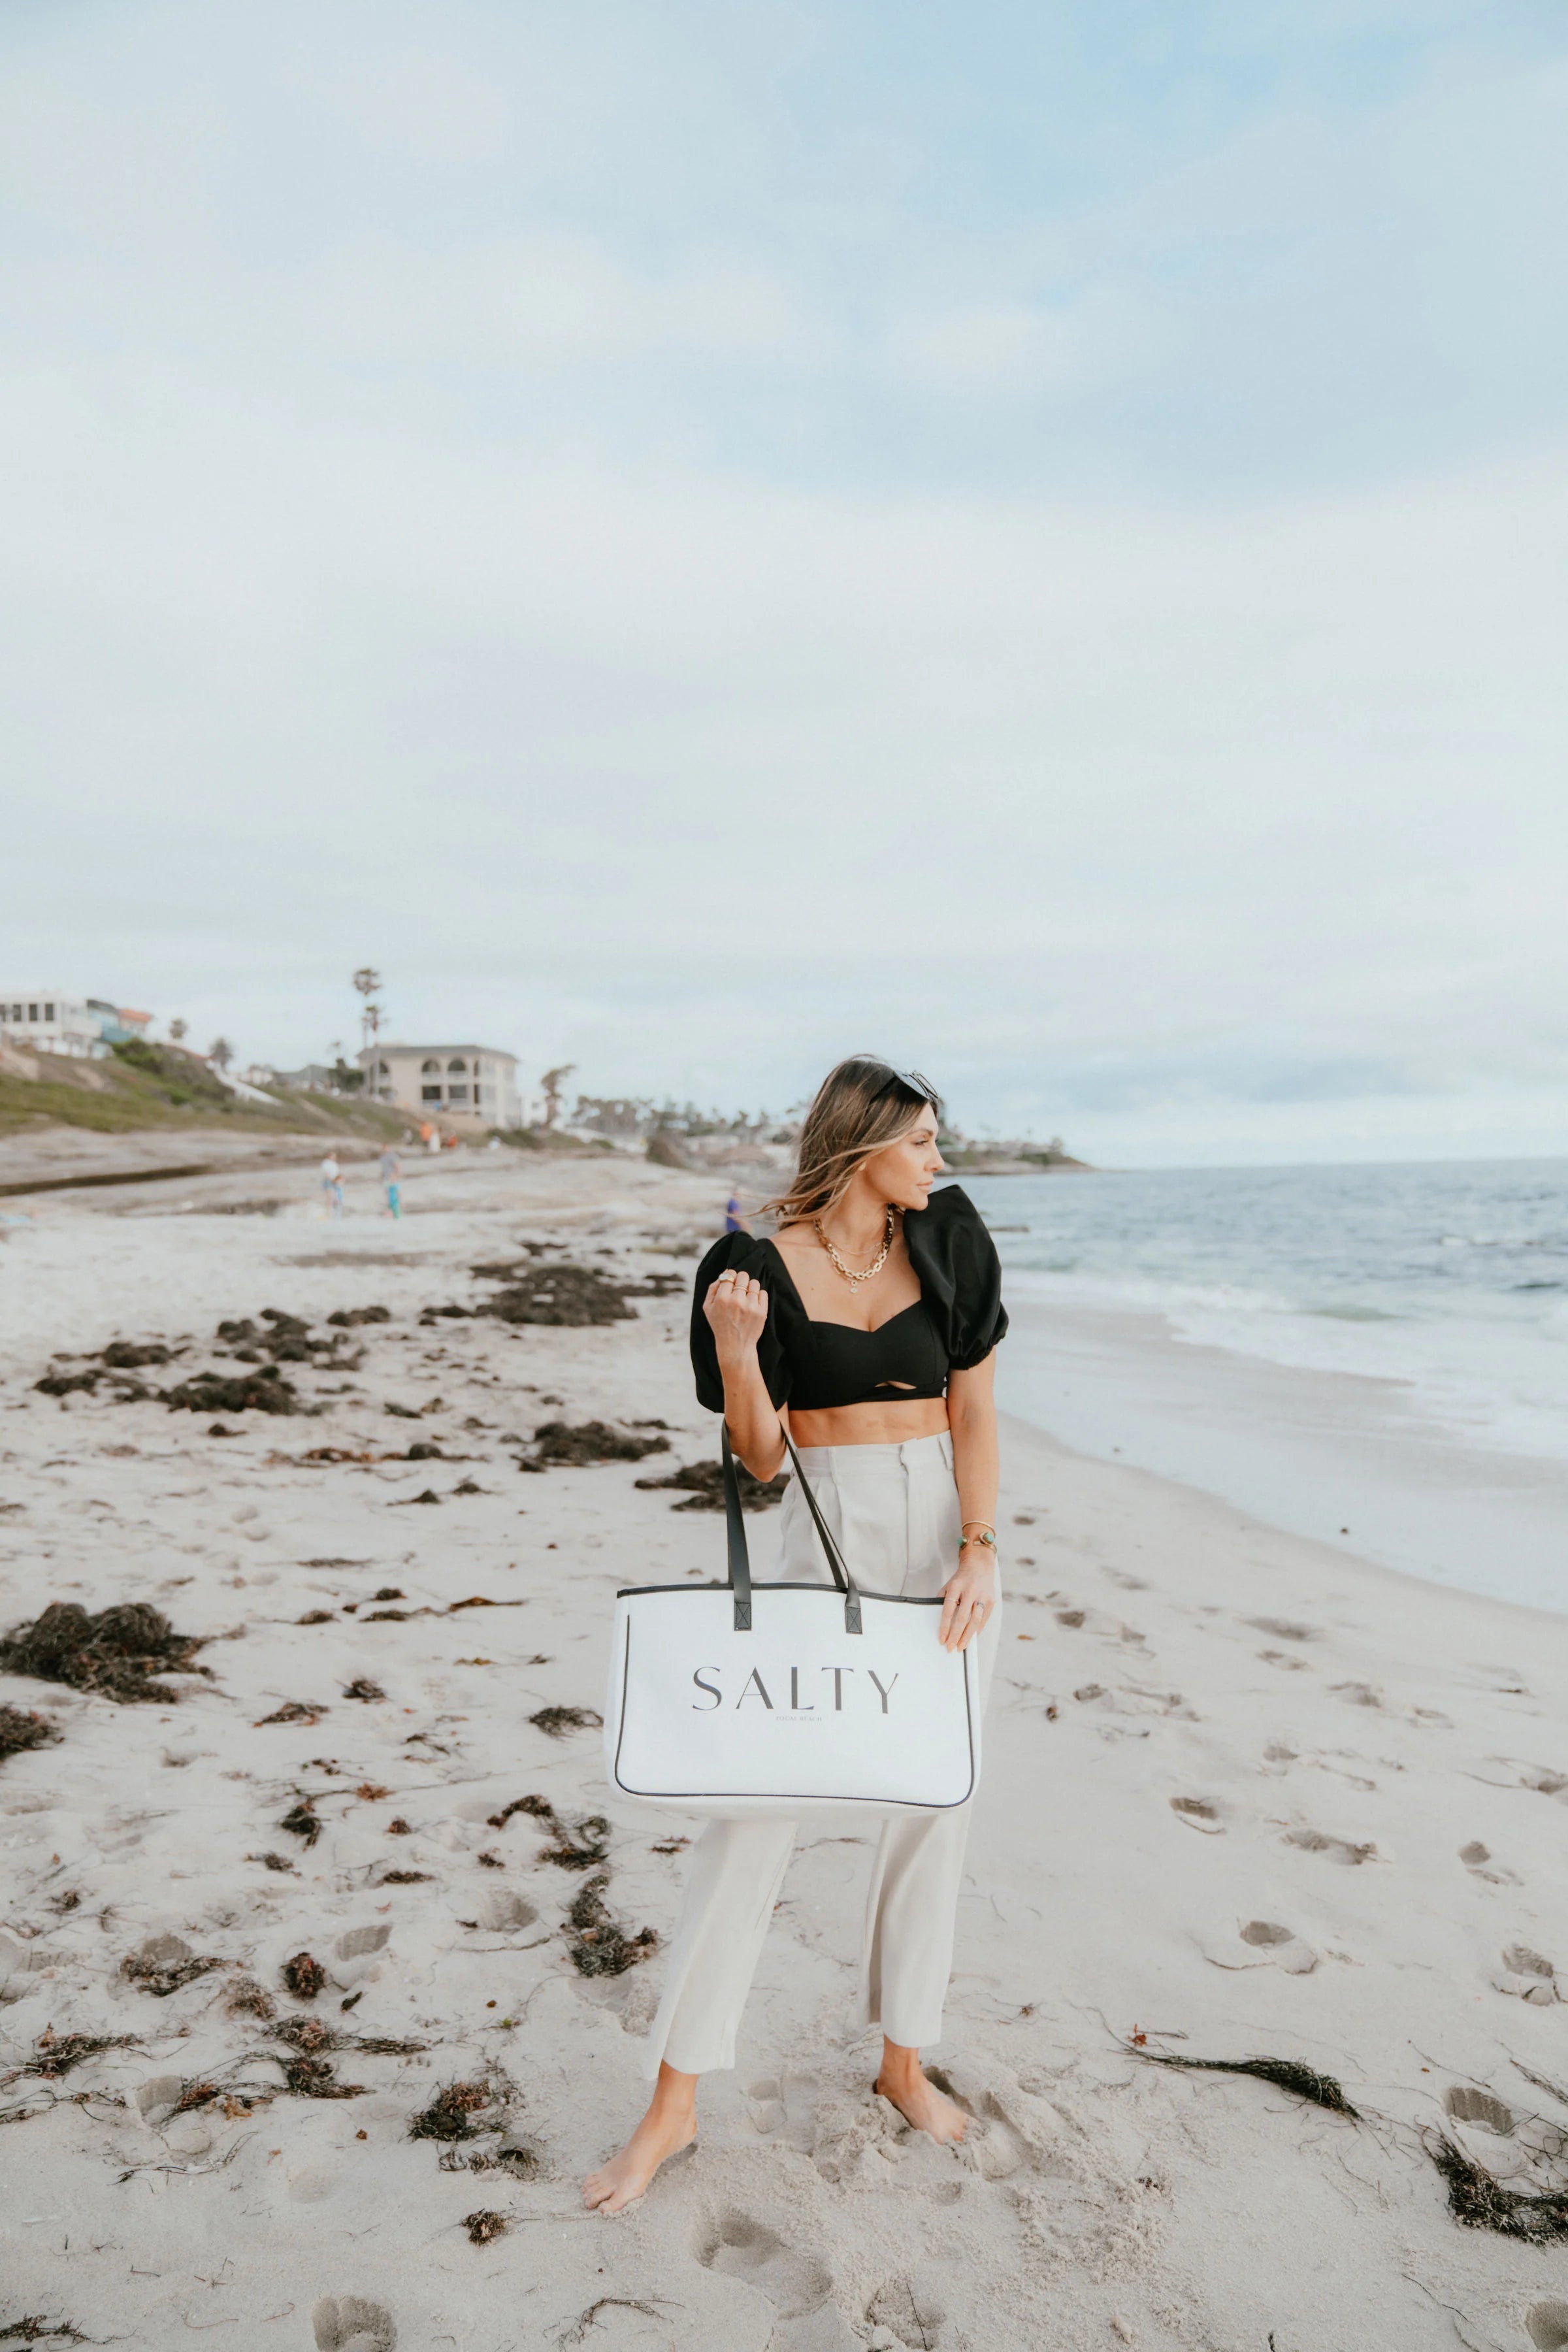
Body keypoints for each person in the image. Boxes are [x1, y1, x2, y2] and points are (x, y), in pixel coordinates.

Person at [584, 1056, 1006, 2215]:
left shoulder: (949, 1241)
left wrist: (980, 1546)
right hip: (821, 1534)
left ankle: (903, 2066)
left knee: (936, 1808)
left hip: (943, 1543)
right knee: (751, 1820)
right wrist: (732, 1352)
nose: (937, 1159)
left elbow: (973, 1407)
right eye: (921, 1140)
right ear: (862, 1144)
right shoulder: (748, 1268)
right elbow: (763, 1457)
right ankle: (671, 2110)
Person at [379, 1145, 401, 1220]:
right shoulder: (382, 1157)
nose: (385, 1150)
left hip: (392, 1177)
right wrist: (381, 1176)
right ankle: (390, 1209)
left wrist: (397, 1175)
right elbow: (383, 1168)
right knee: (387, 1193)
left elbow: (397, 1165)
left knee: (395, 1192)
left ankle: (397, 1208)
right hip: (386, 1177)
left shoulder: (392, 1156)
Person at [319, 1152, 343, 1218]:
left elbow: (337, 1173)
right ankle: (328, 1212)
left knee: (336, 1197)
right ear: (329, 1156)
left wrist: (339, 1180)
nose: (335, 1158)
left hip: (336, 1181)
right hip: (329, 1181)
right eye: (333, 1156)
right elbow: (326, 1174)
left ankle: (334, 1212)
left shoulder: (335, 1164)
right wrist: (332, 1180)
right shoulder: (326, 1163)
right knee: (329, 1197)